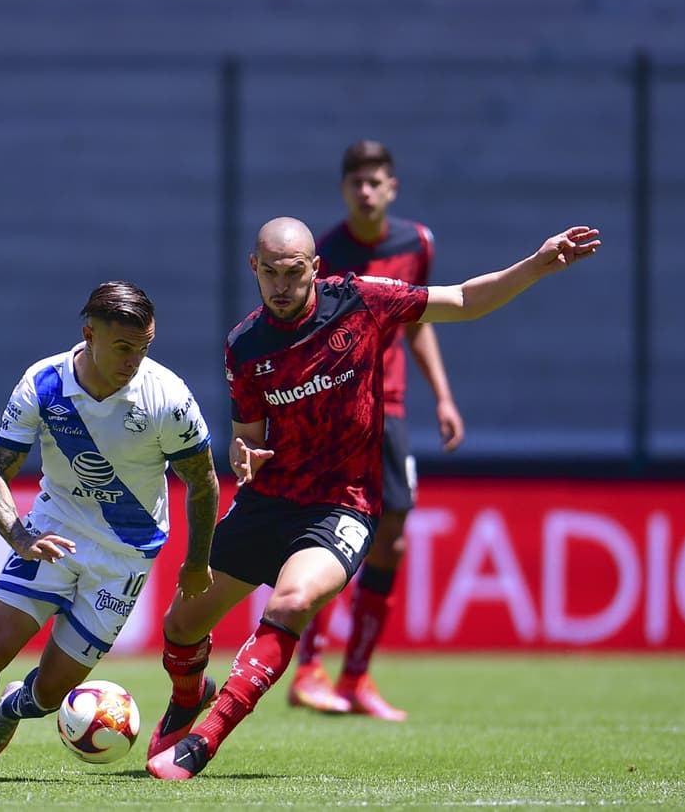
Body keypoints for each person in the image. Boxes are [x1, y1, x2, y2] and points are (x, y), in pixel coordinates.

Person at [145, 216, 600, 780]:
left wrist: (536, 263)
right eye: (271, 274)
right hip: (270, 500)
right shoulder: (244, 344)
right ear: (253, 270)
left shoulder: (361, 301)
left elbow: (461, 299)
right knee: (180, 627)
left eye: (293, 273)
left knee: (290, 604)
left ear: (315, 268)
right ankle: (188, 697)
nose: (282, 286)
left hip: (344, 502)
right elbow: (249, 435)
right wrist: (243, 456)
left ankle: (206, 741)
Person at [0, 280, 219, 782]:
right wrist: (19, 537)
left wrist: (198, 560)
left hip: (126, 554)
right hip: (53, 530)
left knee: (51, 694)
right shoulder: (43, 383)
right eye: (122, 347)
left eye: (143, 348)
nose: (133, 360)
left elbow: (202, 483)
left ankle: (11, 709)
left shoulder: (167, 398)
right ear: (88, 334)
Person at [288, 140, 464, 721]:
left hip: (388, 408)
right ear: (344, 189)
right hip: (338, 409)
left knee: (392, 536)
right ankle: (307, 669)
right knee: (327, 531)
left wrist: (442, 395)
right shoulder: (325, 253)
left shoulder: (418, 244)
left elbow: (420, 320)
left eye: (376, 181)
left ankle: (356, 676)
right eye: (357, 182)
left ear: (392, 188)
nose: (366, 191)